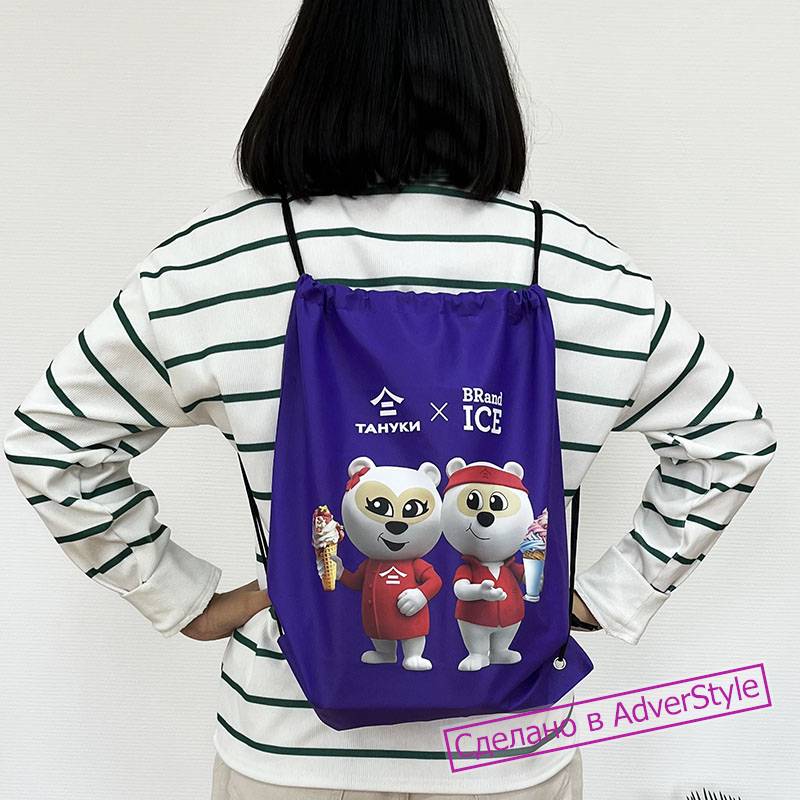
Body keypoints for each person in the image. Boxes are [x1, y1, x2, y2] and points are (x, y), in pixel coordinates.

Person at [2, 1, 776, 798]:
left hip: (289, 754)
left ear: (312, 69)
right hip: (508, 759)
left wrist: (182, 595)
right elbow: (731, 440)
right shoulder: (582, 270)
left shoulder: (217, 263)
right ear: (478, 70)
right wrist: (603, 597)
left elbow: (52, 441)